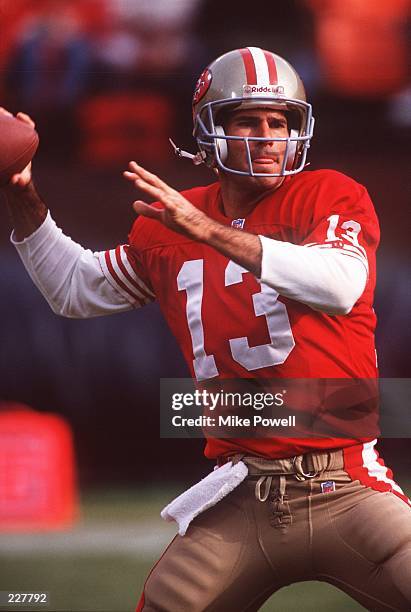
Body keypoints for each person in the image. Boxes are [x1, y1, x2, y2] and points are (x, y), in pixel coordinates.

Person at [2, 47, 411, 611]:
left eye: (281, 120)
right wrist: (24, 197)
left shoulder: (329, 194)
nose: (268, 134)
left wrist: (210, 231)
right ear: (209, 129)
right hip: (240, 494)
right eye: (248, 119)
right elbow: (76, 290)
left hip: (344, 485)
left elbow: (339, 283)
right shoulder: (173, 223)